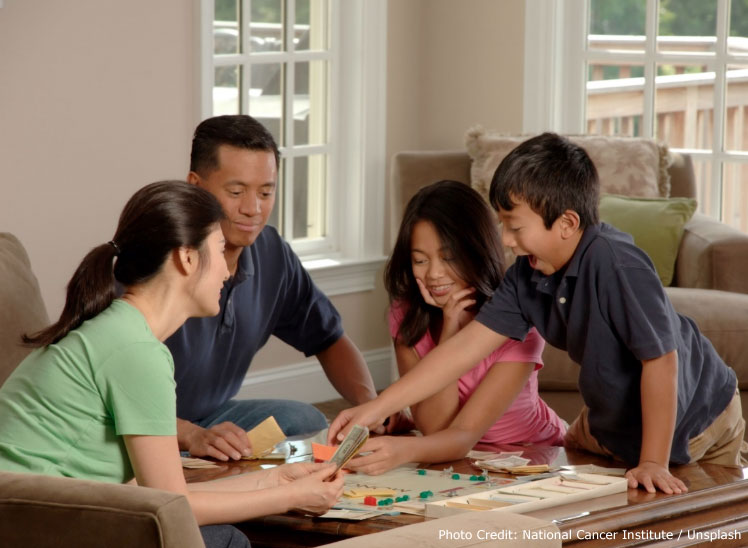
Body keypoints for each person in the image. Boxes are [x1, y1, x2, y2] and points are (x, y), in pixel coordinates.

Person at [329, 133, 746, 495]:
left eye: (514, 226)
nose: (507, 241)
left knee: (693, 517)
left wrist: (653, 460)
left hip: (695, 416)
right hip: (610, 423)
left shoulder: (617, 264)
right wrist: (375, 408)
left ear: (566, 223)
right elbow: (460, 353)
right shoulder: (525, 278)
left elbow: (661, 361)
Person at [0, 181, 344, 548]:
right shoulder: (136, 351)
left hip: (38, 518)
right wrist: (291, 498)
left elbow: (154, 492)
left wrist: (278, 481)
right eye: (220, 250)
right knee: (227, 540)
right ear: (187, 258)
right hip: (32, 529)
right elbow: (172, 504)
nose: (228, 273)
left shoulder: (119, 330)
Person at [168, 115, 406, 463]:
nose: (253, 209)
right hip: (145, 428)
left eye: (266, 192)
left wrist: (368, 405)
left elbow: (329, 338)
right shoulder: (159, 261)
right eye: (236, 192)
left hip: (211, 416)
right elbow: (111, 399)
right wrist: (190, 435)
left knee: (304, 419)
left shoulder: (270, 252)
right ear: (195, 186)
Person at [345, 181, 565, 476]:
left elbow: (461, 434)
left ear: (477, 250)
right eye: (420, 260)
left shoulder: (519, 321)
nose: (434, 274)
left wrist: (402, 448)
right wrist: (450, 329)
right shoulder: (406, 315)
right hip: (456, 458)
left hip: (531, 452)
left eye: (448, 258)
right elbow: (434, 426)